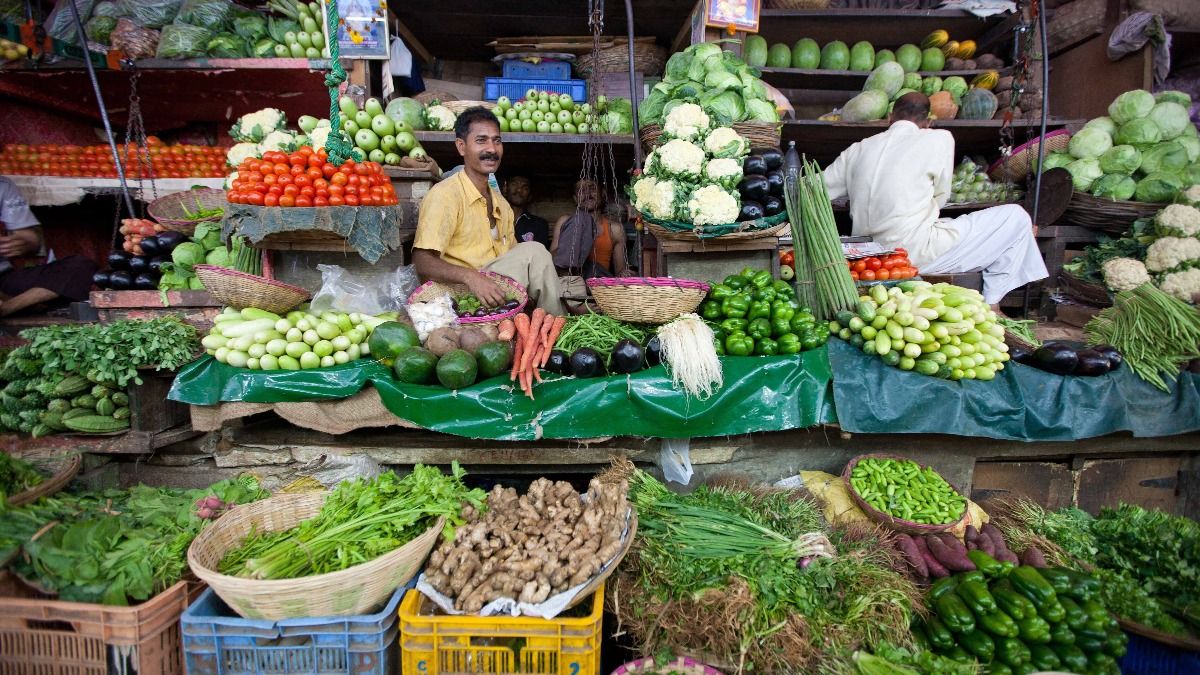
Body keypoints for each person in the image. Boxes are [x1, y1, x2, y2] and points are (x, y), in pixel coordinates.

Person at [823, 92, 1047, 309]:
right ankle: (992, 302)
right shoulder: (939, 138)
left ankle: (991, 301)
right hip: (912, 253)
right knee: (1016, 217)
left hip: (868, 259)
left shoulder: (858, 149)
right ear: (928, 122)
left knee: (944, 225)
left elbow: (817, 186)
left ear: (890, 118)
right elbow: (941, 196)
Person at [413, 107, 566, 315]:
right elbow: (422, 261)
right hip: (459, 293)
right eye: (481, 140)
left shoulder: (501, 204)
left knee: (533, 252)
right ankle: (558, 323)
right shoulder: (445, 195)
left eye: (497, 141)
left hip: (494, 291)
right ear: (461, 147)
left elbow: (513, 258)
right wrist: (470, 276)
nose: (492, 149)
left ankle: (550, 324)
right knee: (535, 252)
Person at [0, 177, 97, 316]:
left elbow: (31, 240)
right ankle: (25, 305)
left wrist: (22, 242)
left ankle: (9, 307)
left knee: (80, 266)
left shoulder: (3, 185)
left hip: (5, 279)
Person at [550, 178, 631, 277]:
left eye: (592, 189)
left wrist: (624, 273)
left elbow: (620, 272)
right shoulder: (564, 221)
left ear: (603, 193)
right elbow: (552, 258)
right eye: (582, 191)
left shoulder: (615, 229)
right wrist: (574, 243)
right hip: (569, 277)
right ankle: (569, 277)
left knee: (595, 268)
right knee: (581, 219)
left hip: (598, 278)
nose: (587, 194)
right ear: (575, 198)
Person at [503, 175, 551, 249]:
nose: (519, 190)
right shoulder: (495, 218)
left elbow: (539, 253)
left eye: (525, 188)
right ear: (505, 190)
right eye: (514, 184)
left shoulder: (539, 224)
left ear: (530, 196)